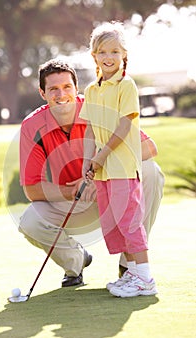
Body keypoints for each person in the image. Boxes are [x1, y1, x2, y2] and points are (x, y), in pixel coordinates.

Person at [18, 58, 164, 290]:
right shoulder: (31, 126)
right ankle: (76, 262)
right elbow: (31, 189)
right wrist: (72, 189)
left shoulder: (98, 108)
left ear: (77, 90)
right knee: (30, 220)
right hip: (73, 204)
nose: (61, 94)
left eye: (67, 87)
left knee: (150, 171)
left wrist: (101, 176)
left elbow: (149, 148)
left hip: (115, 191)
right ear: (42, 93)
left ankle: (131, 263)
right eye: (53, 89)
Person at [80, 21, 158, 297]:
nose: (109, 57)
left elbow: (124, 126)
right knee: (113, 224)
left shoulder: (127, 85)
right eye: (103, 52)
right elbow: (89, 129)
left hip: (122, 167)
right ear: (94, 56)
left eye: (115, 51)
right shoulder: (91, 90)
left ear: (124, 54)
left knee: (129, 222)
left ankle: (145, 279)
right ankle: (133, 275)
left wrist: (100, 156)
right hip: (102, 171)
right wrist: (87, 162)